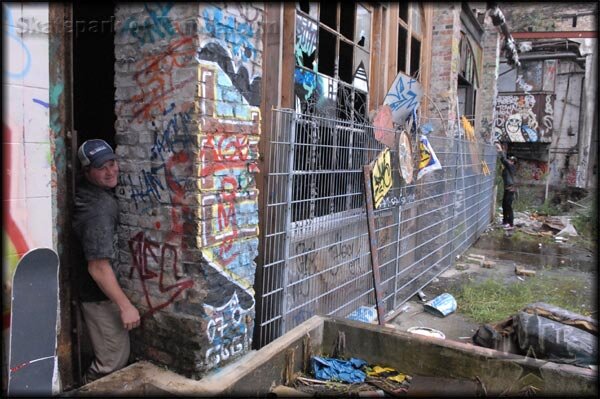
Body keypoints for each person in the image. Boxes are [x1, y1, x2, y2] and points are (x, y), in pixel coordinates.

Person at [72, 139, 140, 384]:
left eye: (112, 163)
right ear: (87, 171)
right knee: (112, 361)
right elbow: (98, 266)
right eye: (102, 167)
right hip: (98, 297)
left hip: (95, 294)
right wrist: (125, 305)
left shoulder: (90, 192)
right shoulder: (98, 209)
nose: (110, 171)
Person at [495, 142, 517, 230]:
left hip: (510, 190)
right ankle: (505, 221)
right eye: (509, 159)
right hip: (507, 189)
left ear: (513, 162)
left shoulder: (511, 166)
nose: (509, 161)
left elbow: (504, 160)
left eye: (511, 160)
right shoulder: (508, 167)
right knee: (504, 205)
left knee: (508, 206)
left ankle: (510, 223)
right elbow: (504, 162)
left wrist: (500, 150)